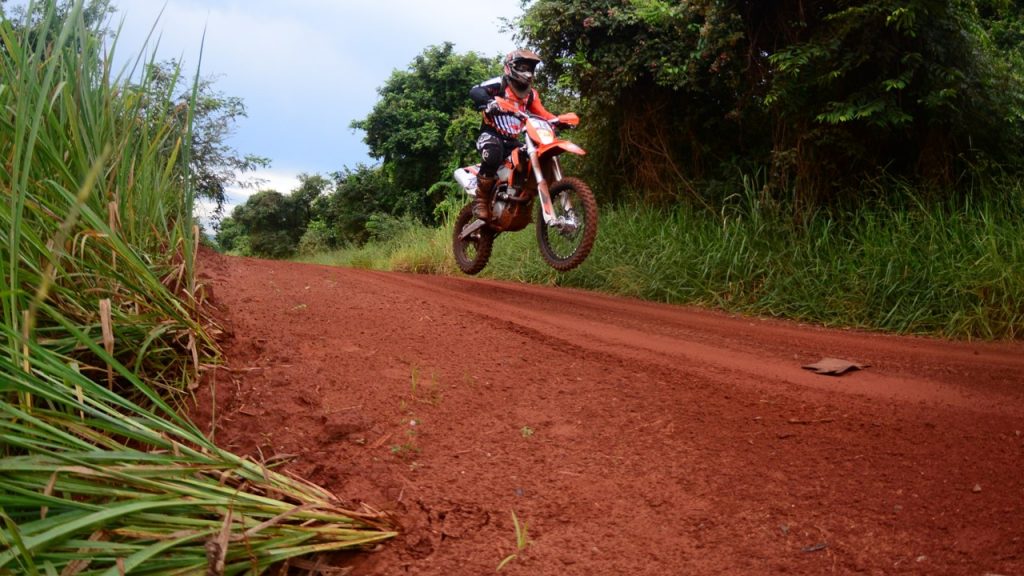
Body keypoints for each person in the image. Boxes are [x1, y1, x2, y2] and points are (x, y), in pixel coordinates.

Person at [469, 49, 558, 221]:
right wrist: (489, 102)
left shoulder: (531, 95)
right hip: (491, 134)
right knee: (493, 154)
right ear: (511, 67)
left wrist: (558, 120)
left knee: (533, 159)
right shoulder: (500, 84)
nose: (527, 73)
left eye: (530, 69)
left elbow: (542, 113)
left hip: (513, 141)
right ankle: (480, 200)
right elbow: (475, 91)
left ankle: (520, 201)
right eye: (523, 67)